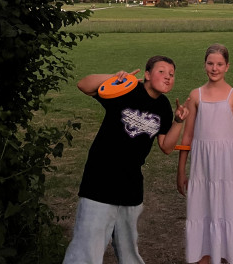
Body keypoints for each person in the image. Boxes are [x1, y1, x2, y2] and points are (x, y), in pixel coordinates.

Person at [63, 55, 189, 264]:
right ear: (147, 74)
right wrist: (114, 78)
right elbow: (84, 85)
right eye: (161, 72)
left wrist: (177, 121)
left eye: (171, 74)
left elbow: (166, 147)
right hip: (100, 180)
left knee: (129, 251)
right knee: (86, 250)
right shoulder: (126, 90)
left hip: (131, 185)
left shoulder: (163, 107)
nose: (168, 77)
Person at [176, 43, 233, 264]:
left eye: (219, 64)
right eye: (210, 63)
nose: (214, 68)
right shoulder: (196, 95)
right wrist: (181, 171)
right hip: (203, 170)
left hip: (228, 172)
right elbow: (187, 136)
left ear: (227, 66)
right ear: (204, 65)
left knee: (230, 219)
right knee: (203, 218)